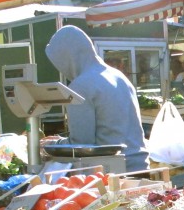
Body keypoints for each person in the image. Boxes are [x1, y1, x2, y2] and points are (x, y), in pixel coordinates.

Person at [44, 25, 147, 172]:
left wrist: (52, 144)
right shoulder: (119, 76)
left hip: (112, 176)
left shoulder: (80, 86)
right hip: (141, 167)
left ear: (68, 58)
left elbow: (81, 144)